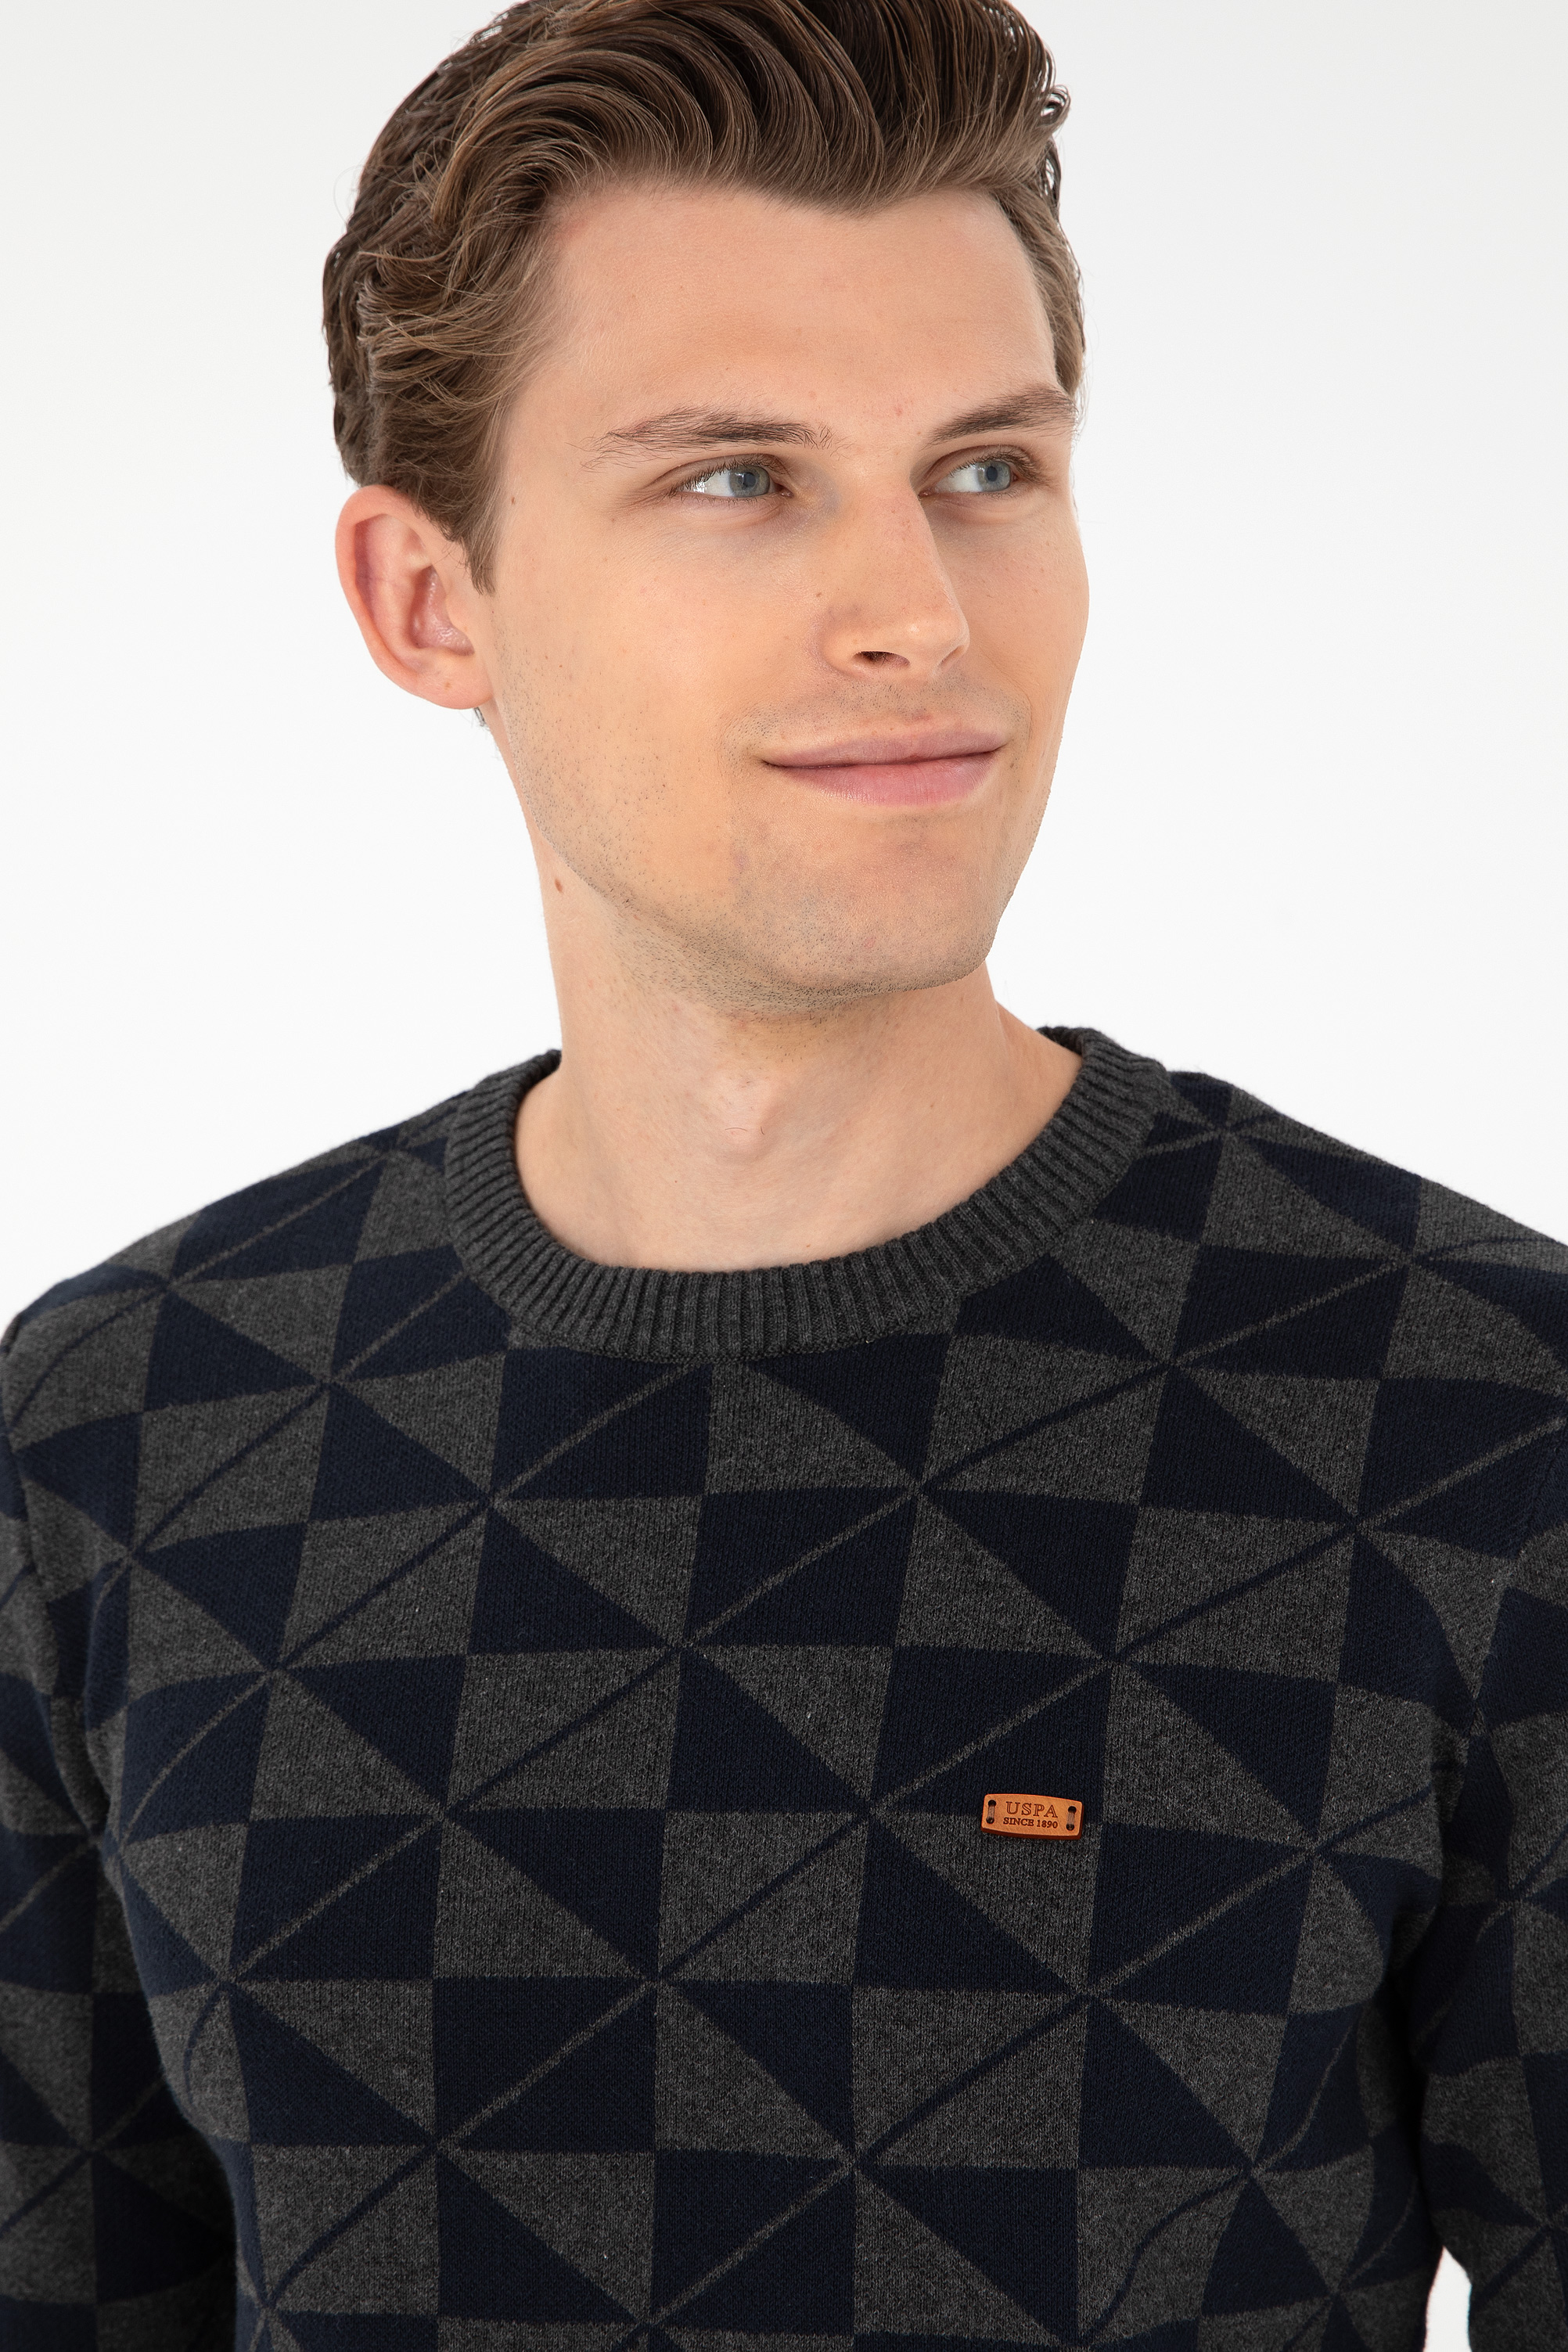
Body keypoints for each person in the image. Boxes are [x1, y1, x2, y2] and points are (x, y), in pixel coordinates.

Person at [2, 0, 1564, 2340]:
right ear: (429, 599)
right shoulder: (127, 1435)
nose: (919, 613)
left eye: (985, 468)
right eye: (736, 478)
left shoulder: (1478, 1423)